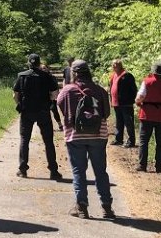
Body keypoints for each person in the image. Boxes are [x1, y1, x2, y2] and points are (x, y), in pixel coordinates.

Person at [57, 59, 114, 219]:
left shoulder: (67, 90)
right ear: (88, 71)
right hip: (98, 134)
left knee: (78, 171)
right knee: (100, 172)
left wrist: (72, 117)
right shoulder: (100, 90)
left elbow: (59, 105)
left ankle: (82, 208)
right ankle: (107, 208)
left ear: (73, 73)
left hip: (75, 136)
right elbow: (107, 113)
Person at [13, 54, 62, 179]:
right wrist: (48, 102)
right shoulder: (47, 76)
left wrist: (21, 104)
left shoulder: (21, 76)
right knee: (48, 141)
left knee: (25, 139)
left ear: (28, 63)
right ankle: (53, 171)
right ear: (39, 63)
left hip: (26, 112)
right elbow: (54, 94)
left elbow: (15, 95)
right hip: (43, 111)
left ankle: (23, 170)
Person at [134, 60, 161, 173]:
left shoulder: (147, 81)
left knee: (143, 141)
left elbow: (140, 97)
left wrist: (138, 103)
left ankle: (142, 165)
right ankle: (159, 166)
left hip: (147, 115)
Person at [108, 59, 137, 147]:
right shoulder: (113, 75)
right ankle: (118, 139)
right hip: (116, 103)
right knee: (119, 121)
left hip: (126, 104)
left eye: (115, 65)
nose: (114, 66)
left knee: (128, 122)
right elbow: (111, 88)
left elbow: (134, 89)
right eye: (113, 65)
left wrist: (130, 100)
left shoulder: (127, 75)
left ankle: (131, 141)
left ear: (120, 65)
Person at [41, 64, 63, 131]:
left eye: (44, 68)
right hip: (43, 97)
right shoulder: (39, 77)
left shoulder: (52, 77)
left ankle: (60, 124)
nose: (43, 69)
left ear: (48, 69)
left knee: (54, 110)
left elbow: (56, 87)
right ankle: (47, 127)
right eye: (42, 68)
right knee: (45, 112)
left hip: (52, 97)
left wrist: (56, 95)